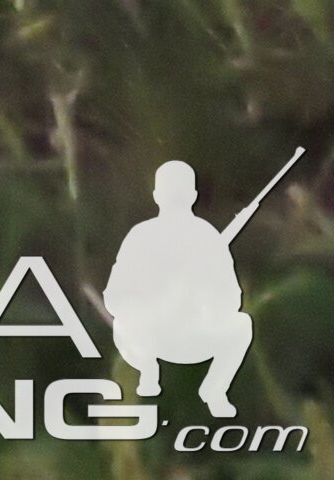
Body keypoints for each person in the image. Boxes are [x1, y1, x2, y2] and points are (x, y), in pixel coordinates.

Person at [102, 162, 256, 418]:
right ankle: (148, 370)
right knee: (124, 323)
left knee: (241, 325)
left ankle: (214, 391)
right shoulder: (145, 236)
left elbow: (230, 299)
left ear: (156, 195)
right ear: (193, 196)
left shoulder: (206, 238)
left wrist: (201, 298)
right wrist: (154, 298)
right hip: (149, 337)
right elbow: (116, 298)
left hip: (193, 335)